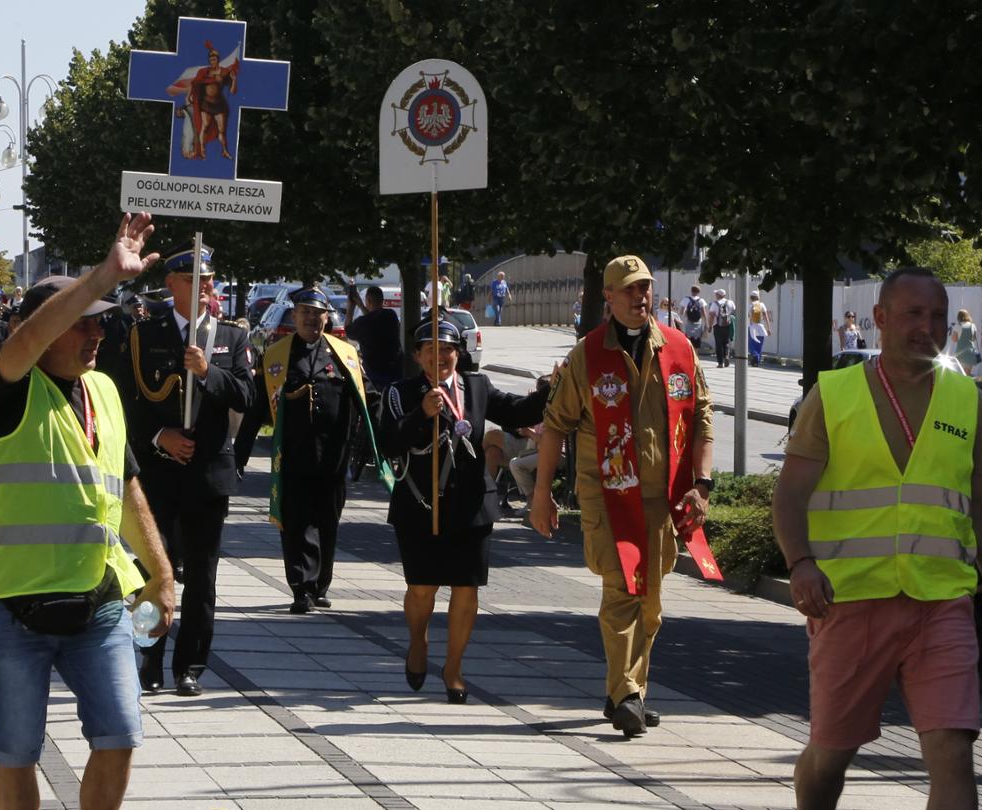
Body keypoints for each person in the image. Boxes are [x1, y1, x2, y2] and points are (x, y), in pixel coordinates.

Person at [769, 266, 982, 810]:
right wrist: (801, 562)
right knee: (831, 755)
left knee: (953, 751)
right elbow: (788, 496)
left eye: (937, 317)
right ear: (880, 319)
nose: (926, 327)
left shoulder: (966, 399)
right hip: (850, 600)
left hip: (941, 603)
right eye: (912, 314)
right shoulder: (832, 395)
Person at [0, 215, 177, 810]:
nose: (96, 336)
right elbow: (26, 344)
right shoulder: (4, 388)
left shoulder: (104, 391)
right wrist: (103, 274)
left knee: (120, 737)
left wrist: (160, 574)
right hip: (16, 608)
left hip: (100, 602)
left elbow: (126, 485)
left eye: (101, 323)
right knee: (17, 755)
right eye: (81, 324)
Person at [531, 255, 715, 736]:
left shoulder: (679, 349)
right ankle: (628, 694)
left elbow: (702, 420)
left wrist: (703, 483)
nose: (640, 297)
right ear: (607, 297)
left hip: (661, 498)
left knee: (650, 603)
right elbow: (554, 428)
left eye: (645, 287)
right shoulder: (587, 356)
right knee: (621, 591)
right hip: (607, 497)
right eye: (629, 289)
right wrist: (541, 495)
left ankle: (624, 690)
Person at [114, 242, 253, 697]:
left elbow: (249, 399)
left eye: (209, 280)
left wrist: (210, 372)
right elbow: (124, 402)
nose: (204, 287)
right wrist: (159, 438)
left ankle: (189, 665)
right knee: (156, 570)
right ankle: (149, 657)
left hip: (208, 474)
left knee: (202, 578)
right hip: (158, 472)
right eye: (194, 280)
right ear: (172, 284)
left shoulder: (231, 337)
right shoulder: (144, 333)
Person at [385, 319, 549, 703]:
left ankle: (454, 667)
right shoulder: (401, 392)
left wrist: (549, 389)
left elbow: (518, 413)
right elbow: (390, 443)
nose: (440, 356)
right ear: (417, 355)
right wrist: (420, 415)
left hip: (471, 503)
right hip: (420, 504)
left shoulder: (477, 387)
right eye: (430, 349)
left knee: (465, 589)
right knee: (422, 588)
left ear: (460, 353)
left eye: (448, 349)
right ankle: (418, 642)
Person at [236, 289, 381, 614]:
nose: (311, 319)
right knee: (296, 524)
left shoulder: (344, 355)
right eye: (304, 313)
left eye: (317, 314)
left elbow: (367, 397)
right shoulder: (276, 356)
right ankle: (300, 587)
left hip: (333, 457)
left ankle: (320, 585)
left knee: (327, 521)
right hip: (293, 457)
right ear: (294, 315)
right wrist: (239, 458)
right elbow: (257, 409)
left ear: (326, 318)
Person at [345, 287, 404, 394]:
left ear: (368, 300)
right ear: (382, 300)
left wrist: (351, 308)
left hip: (374, 377)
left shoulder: (362, 323)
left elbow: (348, 330)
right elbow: (374, 318)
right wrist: (361, 305)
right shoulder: (391, 316)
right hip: (395, 373)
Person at [709, 289, 737, 367]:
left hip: (717, 326)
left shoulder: (715, 304)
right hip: (728, 324)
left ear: (719, 295)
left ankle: (720, 363)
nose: (715, 295)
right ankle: (726, 356)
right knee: (726, 342)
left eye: (716, 294)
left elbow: (711, 316)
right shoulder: (730, 302)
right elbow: (734, 312)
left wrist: (710, 326)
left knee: (719, 344)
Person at [949, 309, 980, 376]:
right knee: (967, 374)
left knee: (959, 374)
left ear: (958, 317)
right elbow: (974, 338)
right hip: (971, 352)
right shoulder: (973, 325)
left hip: (961, 353)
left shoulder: (958, 326)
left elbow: (954, 339)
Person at [746, 290, 772, 366]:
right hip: (761, 328)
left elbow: (746, 317)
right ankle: (756, 362)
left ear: (751, 297)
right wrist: (769, 328)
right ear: (758, 297)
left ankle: (755, 356)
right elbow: (766, 317)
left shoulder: (749, 305)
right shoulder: (762, 305)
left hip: (752, 328)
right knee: (759, 346)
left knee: (751, 345)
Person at [680, 285, 708, 352]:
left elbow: (681, 312)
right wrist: (706, 323)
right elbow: (704, 313)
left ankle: (690, 356)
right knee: (697, 340)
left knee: (688, 339)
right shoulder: (701, 300)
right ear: (699, 292)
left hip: (689, 322)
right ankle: (696, 356)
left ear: (691, 291)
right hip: (698, 323)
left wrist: (686, 313)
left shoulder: (686, 299)